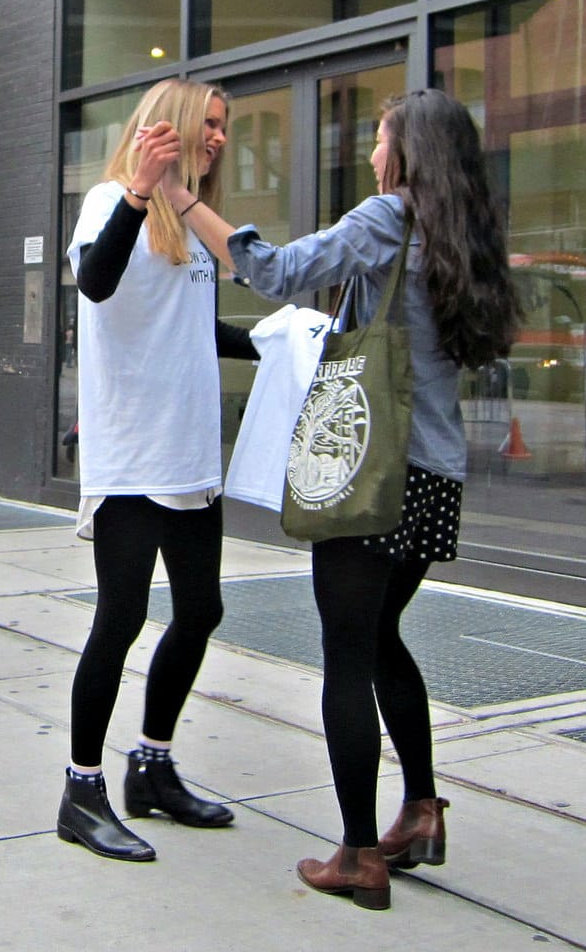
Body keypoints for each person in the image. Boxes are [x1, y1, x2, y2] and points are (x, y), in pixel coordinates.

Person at [169, 88, 519, 910]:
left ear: (408, 150)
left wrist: (186, 201)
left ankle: (358, 854)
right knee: (384, 638)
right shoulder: (462, 231)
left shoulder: (386, 216)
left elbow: (278, 272)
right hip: (436, 474)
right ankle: (422, 809)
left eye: (379, 138)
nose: (370, 153)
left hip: (375, 471)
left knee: (347, 659)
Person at [56, 77, 255, 864]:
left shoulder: (191, 224)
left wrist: (281, 343)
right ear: (167, 127)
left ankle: (152, 765)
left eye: (224, 125)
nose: (219, 137)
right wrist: (140, 193)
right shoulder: (112, 203)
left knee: (201, 611)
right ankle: (80, 790)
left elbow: (191, 325)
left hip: (190, 452)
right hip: (133, 454)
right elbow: (97, 283)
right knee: (121, 617)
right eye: (209, 123)